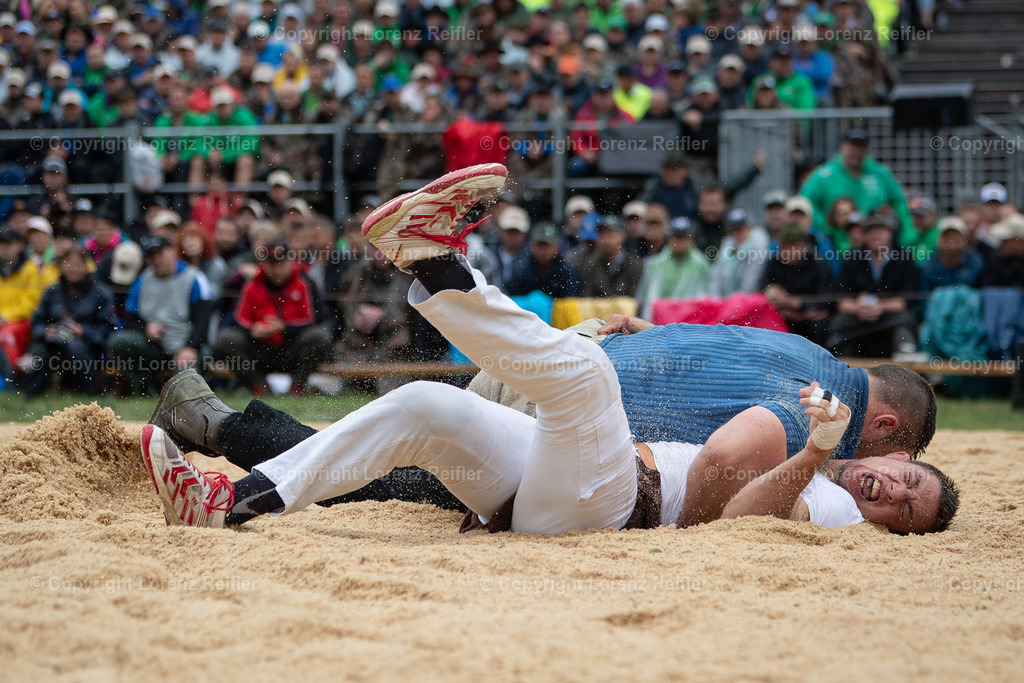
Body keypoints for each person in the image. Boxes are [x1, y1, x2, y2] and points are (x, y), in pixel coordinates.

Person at [141, 164, 958, 535]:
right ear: (891, 431)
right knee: (425, 405)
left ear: (900, 529)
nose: (893, 484)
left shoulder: (843, 510)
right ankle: (234, 499)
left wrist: (809, 456)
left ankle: (433, 261)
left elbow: (725, 502)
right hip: (568, 475)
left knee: (584, 380)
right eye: (911, 471)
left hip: (614, 494)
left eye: (907, 504)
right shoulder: (828, 406)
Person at [215, 240, 332, 395]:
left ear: (290, 261)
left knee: (320, 336)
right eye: (271, 264)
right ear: (263, 264)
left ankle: (297, 386)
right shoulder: (251, 285)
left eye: (280, 263)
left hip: (292, 348)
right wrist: (252, 331)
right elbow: (238, 321)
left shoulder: (305, 283)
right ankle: (258, 385)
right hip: (259, 348)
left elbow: (315, 319)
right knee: (225, 339)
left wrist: (285, 328)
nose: (276, 269)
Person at [106, 236, 213, 395]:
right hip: (153, 345)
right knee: (118, 341)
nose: (156, 260)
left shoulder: (195, 278)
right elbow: (129, 319)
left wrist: (190, 347)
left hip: (186, 342)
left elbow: (203, 321)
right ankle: (142, 390)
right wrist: (146, 328)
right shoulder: (142, 280)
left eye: (159, 254)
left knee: (185, 386)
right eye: (151, 256)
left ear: (171, 252)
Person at [21, 245, 117, 398]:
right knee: (43, 350)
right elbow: (36, 323)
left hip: (89, 348)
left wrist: (83, 331)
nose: (73, 269)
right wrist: (45, 332)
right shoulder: (52, 291)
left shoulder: (100, 293)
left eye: (78, 264)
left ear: (86, 266)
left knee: (75, 346)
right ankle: (30, 396)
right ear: (61, 266)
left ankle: (97, 393)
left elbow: (109, 328)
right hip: (55, 344)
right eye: (69, 264)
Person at [828, 212, 922, 357]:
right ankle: (842, 368)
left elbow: (905, 301)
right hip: (858, 317)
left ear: (891, 233)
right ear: (864, 234)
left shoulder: (905, 258)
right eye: (871, 231)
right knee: (838, 324)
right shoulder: (852, 257)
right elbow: (841, 302)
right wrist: (859, 307)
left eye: (881, 230)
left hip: (890, 316)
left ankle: (906, 365)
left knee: (906, 320)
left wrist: (880, 306)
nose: (875, 235)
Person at [799, 129, 912, 236]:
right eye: (852, 147)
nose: (856, 152)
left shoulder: (880, 173)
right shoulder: (824, 175)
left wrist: (903, 232)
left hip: (873, 239)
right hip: (836, 241)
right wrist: (826, 227)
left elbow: (899, 202)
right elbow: (805, 203)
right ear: (842, 147)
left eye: (860, 147)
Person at [635, 217, 710, 317]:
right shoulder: (655, 263)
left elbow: (706, 296)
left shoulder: (701, 263)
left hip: (690, 319)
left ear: (690, 240)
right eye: (676, 237)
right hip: (660, 319)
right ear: (669, 238)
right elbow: (646, 298)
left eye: (683, 238)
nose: (679, 242)